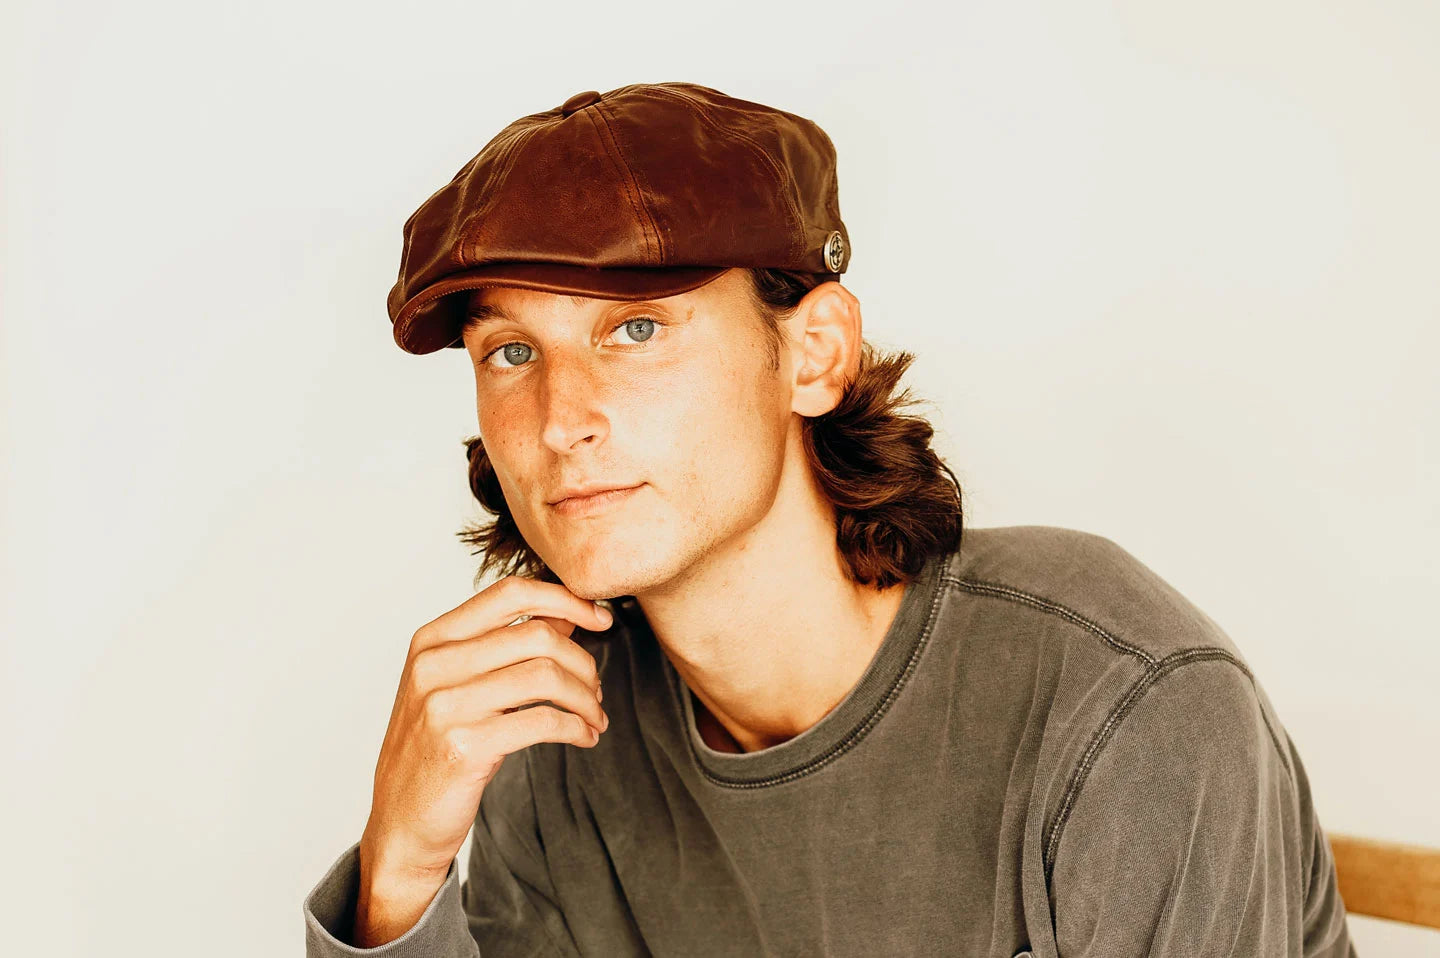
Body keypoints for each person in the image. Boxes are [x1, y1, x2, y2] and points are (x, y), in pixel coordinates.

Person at [302, 83, 1357, 957]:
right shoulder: (549, 734)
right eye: (511, 353)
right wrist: (400, 870)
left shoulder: (1119, 700)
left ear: (811, 354)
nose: (560, 421)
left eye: (634, 328)